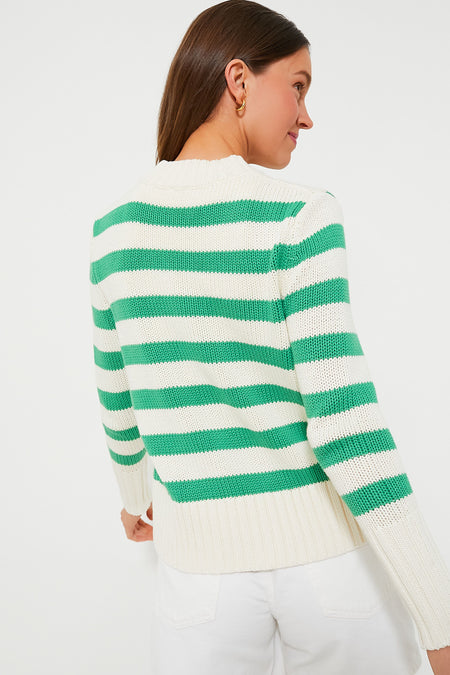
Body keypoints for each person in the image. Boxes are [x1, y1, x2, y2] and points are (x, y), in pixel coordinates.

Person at [88, 1, 450, 673]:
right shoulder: (300, 215)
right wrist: (439, 615)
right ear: (239, 80)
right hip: (328, 570)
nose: (307, 117)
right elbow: (347, 427)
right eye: (299, 86)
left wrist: (135, 497)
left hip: (198, 582)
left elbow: (120, 397)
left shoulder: (113, 234)